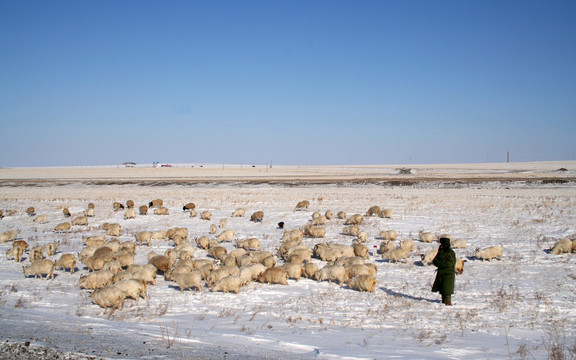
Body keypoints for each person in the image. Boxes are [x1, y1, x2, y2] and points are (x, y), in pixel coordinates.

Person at [432, 237, 456, 306]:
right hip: (441, 274)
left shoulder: (450, 253)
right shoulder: (441, 252)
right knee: (442, 289)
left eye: (442, 244)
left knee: (447, 289)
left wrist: (440, 264)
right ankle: (443, 302)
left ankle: (448, 303)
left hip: (448, 274)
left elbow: (449, 263)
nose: (441, 245)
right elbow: (435, 260)